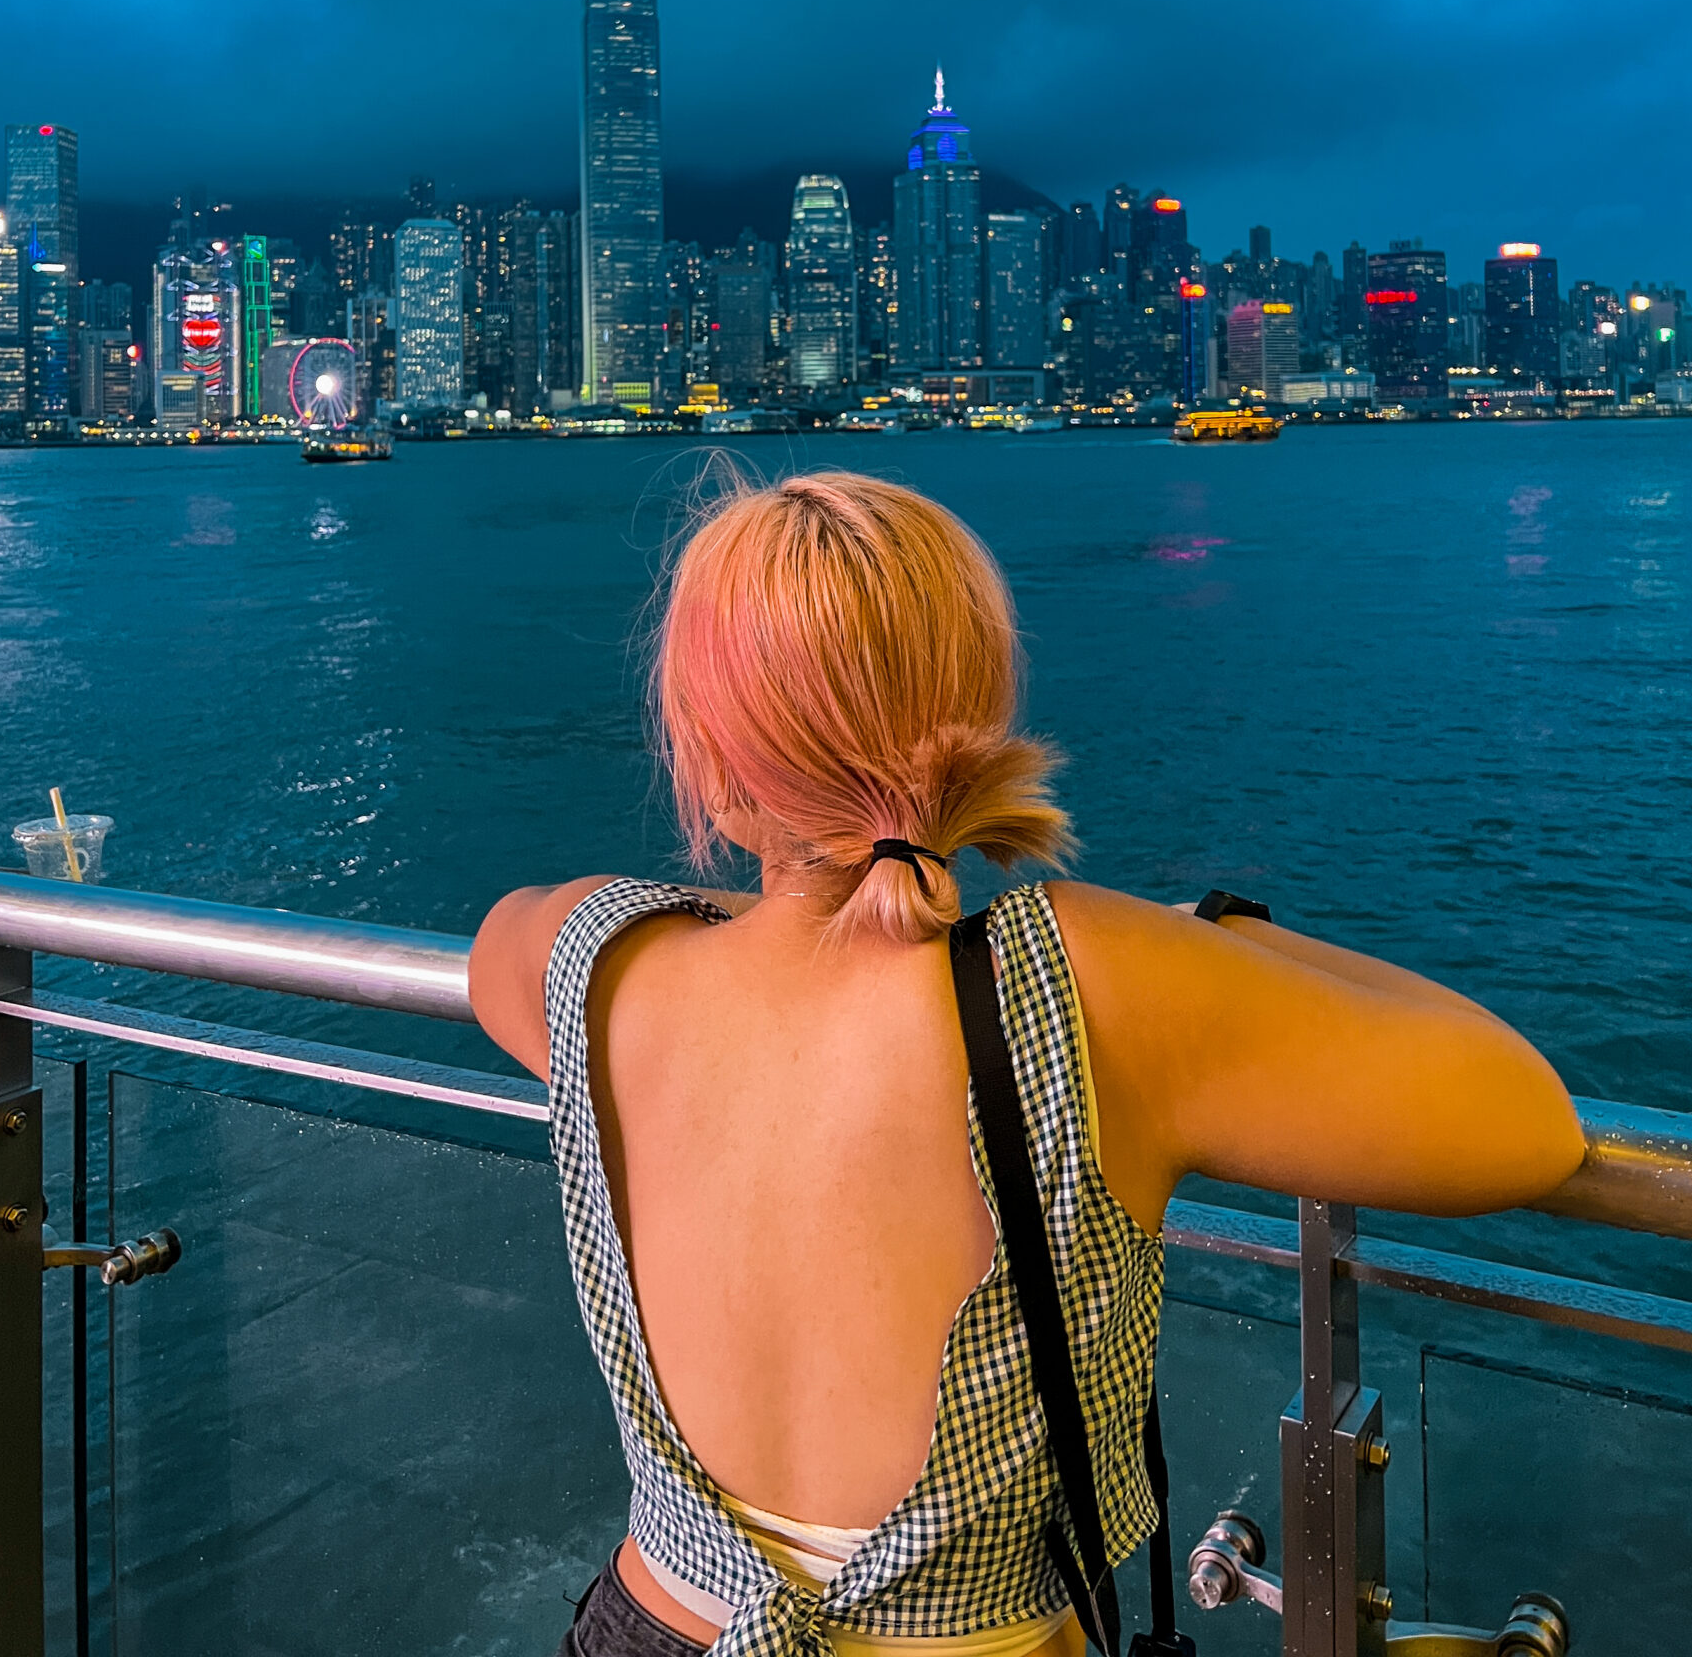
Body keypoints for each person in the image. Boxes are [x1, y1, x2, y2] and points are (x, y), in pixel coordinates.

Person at [470, 471, 1584, 1657]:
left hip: (646, 1625)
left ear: (707, 755)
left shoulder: (595, 964)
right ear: (979, 718)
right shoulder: (1085, 986)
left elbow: (498, 936)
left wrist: (766, 912)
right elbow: (1530, 1118)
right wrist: (1214, 940)